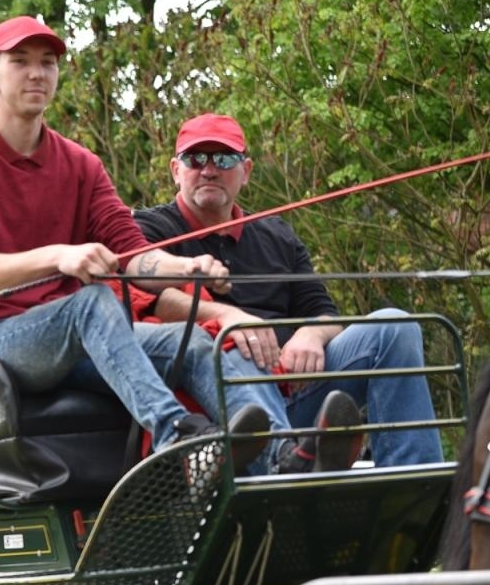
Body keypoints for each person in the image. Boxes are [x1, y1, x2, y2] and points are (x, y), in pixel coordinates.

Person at [0, 16, 283, 468]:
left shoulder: (81, 164)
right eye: (20, 61)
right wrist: (60, 256)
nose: (37, 73)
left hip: (70, 337)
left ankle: (285, 459)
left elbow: (131, 255)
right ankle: (178, 436)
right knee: (92, 302)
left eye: (48, 62)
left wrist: (186, 269)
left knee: (195, 342)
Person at [135, 113, 439, 468]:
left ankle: (414, 481)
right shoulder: (149, 229)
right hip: (219, 418)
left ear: (245, 171)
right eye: (196, 158)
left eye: (224, 159)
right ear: (175, 169)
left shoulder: (278, 235)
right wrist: (229, 318)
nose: (209, 169)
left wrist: (310, 335)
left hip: (295, 387)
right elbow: (147, 301)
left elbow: (325, 312)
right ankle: (281, 463)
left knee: (394, 325)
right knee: (231, 348)